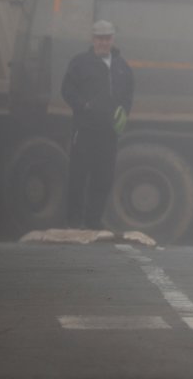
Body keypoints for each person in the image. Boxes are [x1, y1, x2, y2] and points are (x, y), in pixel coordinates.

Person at [61, 20, 135, 230]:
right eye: (100, 38)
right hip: (84, 130)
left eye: (107, 38)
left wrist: (123, 113)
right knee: (78, 175)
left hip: (109, 132)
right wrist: (82, 106)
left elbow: (129, 93)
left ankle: (93, 221)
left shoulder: (122, 66)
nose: (104, 43)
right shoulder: (80, 63)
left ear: (113, 39)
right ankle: (73, 221)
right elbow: (67, 90)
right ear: (93, 39)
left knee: (103, 177)